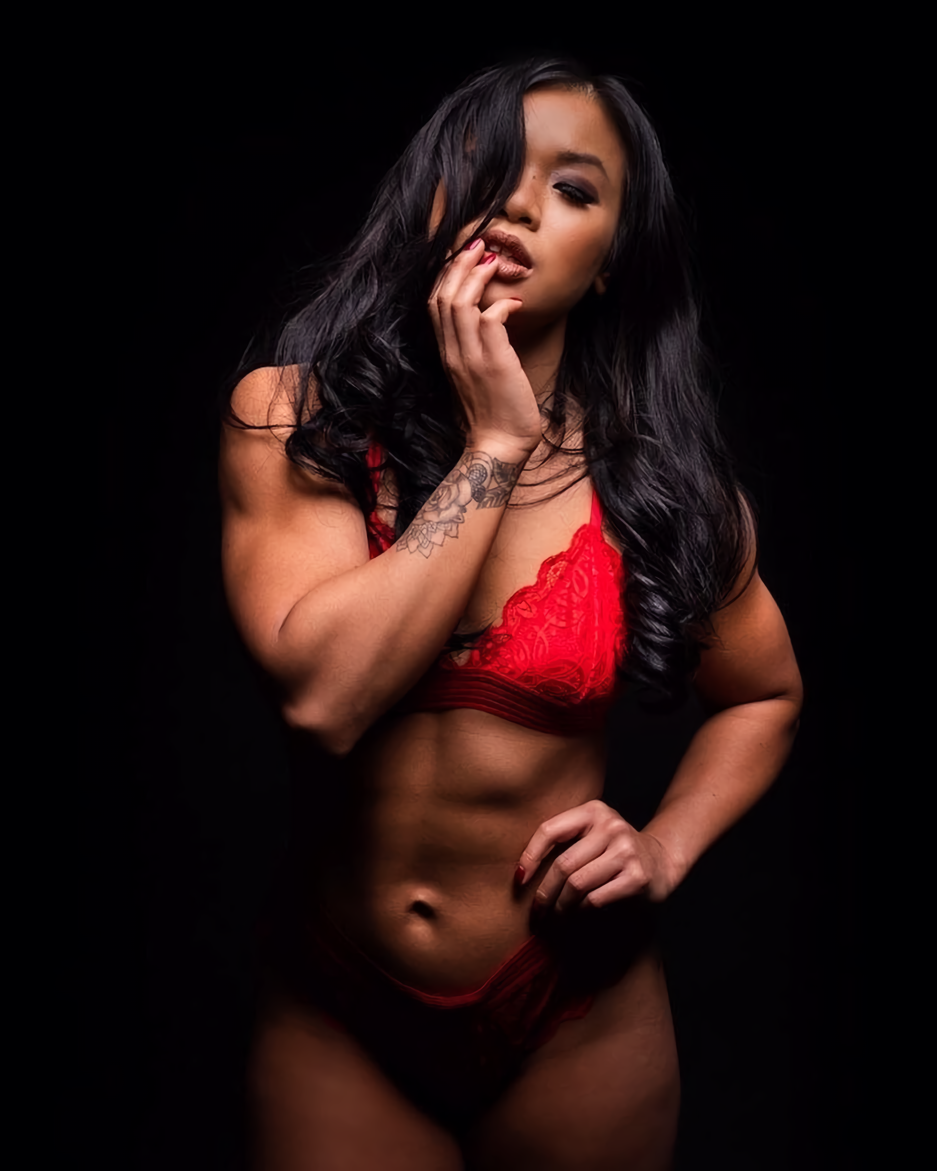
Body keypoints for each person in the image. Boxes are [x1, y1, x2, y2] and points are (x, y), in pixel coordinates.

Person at [219, 55, 802, 1171]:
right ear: (431, 200)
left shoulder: (660, 487)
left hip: (575, 1010)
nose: (521, 205)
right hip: (340, 1004)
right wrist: (494, 443)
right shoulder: (294, 419)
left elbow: (765, 694)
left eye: (574, 189)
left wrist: (664, 845)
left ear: (610, 263)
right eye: (488, 165)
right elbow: (326, 699)